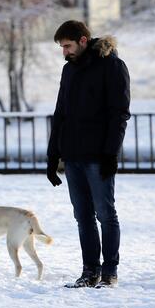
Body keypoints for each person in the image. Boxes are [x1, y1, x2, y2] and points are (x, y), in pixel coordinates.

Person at [46, 20, 130, 289]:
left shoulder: (112, 67)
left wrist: (110, 154)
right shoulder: (68, 70)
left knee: (106, 214)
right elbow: (60, 114)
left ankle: (109, 272)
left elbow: (119, 115)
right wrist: (53, 155)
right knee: (82, 217)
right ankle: (89, 271)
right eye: (62, 47)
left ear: (83, 40)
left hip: (98, 156)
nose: (64, 52)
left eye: (67, 46)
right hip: (73, 157)